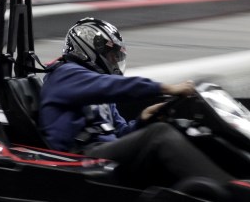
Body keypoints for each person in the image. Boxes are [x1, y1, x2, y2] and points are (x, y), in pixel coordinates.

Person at [39, 17, 233, 189]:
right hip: (79, 158)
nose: (114, 62)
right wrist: (167, 88)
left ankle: (231, 179)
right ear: (88, 49)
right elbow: (117, 86)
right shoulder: (64, 75)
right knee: (158, 135)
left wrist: (142, 119)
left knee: (175, 126)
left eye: (116, 57)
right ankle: (227, 192)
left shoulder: (94, 86)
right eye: (111, 56)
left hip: (102, 154)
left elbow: (120, 133)